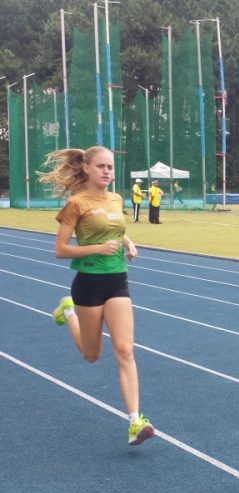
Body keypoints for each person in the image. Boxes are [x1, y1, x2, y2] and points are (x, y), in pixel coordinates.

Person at [39, 145, 155, 446]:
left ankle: (134, 421)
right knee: (92, 355)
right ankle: (68, 312)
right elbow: (60, 250)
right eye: (102, 166)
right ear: (87, 168)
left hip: (117, 281)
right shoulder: (76, 204)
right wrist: (96, 249)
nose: (107, 172)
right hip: (88, 285)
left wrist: (129, 243)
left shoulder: (116, 199)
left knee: (125, 350)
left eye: (111, 167)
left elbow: (115, 229)